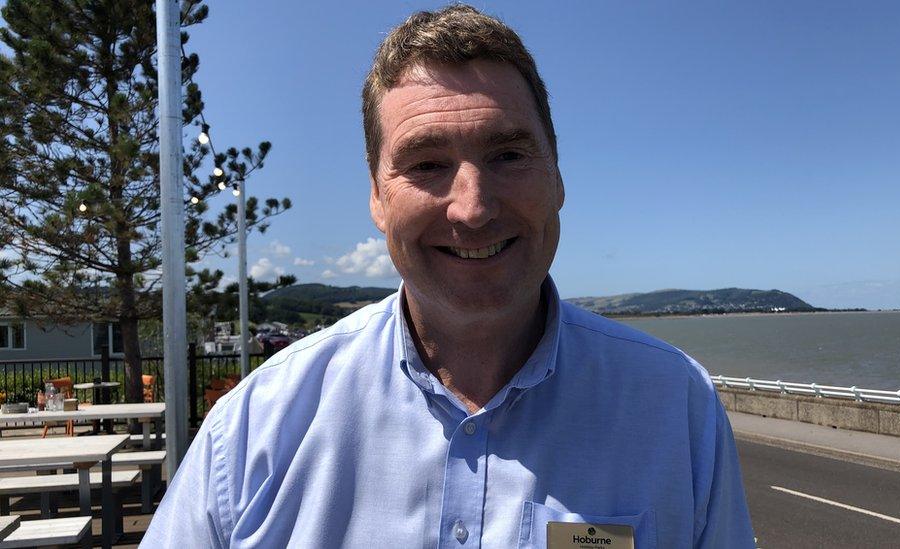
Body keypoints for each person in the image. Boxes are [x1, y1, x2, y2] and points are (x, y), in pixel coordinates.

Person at [143, 5, 754, 548]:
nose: (474, 207)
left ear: (558, 179)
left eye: (509, 155)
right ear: (378, 198)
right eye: (428, 164)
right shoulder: (256, 430)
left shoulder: (677, 409)